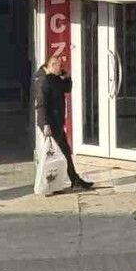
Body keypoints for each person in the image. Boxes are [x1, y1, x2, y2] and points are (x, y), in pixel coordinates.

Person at [32, 55, 93, 191]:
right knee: (56, 154)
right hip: (50, 123)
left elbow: (67, 88)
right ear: (52, 65)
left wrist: (66, 75)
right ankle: (53, 183)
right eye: (59, 66)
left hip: (57, 122)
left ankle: (74, 179)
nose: (61, 69)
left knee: (65, 151)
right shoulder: (43, 80)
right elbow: (41, 105)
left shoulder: (54, 78)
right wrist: (46, 125)